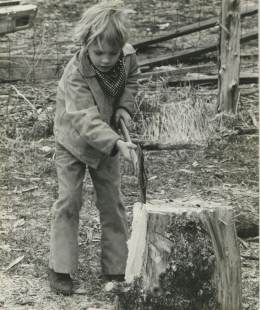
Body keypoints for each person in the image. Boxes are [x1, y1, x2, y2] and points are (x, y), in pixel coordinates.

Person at [48, 0, 140, 295]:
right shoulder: (76, 73)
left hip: (108, 144)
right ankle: (60, 267)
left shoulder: (127, 58)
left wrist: (124, 107)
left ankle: (116, 266)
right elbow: (84, 119)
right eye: (98, 52)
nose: (105, 59)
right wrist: (116, 143)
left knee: (112, 203)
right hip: (73, 141)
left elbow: (131, 82)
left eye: (112, 53)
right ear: (86, 43)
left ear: (122, 47)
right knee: (69, 201)